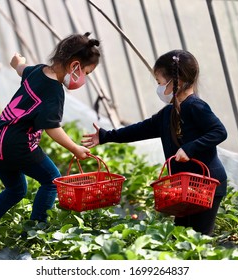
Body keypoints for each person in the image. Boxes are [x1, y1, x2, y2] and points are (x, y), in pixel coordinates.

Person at [0, 32, 101, 259]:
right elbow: (53, 127)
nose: (84, 79)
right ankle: (37, 232)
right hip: (18, 144)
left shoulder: (37, 70)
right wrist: (75, 148)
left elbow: (21, 69)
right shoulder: (54, 91)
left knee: (16, 190)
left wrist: (18, 62)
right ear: (75, 66)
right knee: (51, 180)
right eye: (86, 73)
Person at [82, 49, 227, 236]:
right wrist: (105, 136)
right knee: (181, 234)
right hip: (185, 186)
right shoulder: (168, 112)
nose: (158, 88)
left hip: (208, 184)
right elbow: (141, 129)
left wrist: (189, 149)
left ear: (176, 82)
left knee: (200, 236)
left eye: (159, 82)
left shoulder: (196, 107)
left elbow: (219, 131)